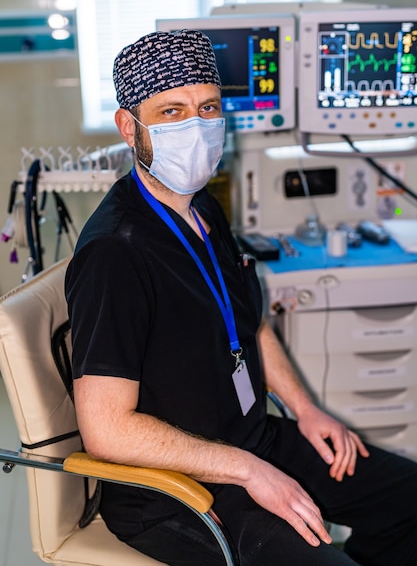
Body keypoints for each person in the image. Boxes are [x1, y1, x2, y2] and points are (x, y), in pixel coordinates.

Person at [65, 29, 417, 566]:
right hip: (177, 490)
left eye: (207, 107)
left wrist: (306, 411)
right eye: (171, 111)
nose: (196, 127)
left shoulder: (200, 206)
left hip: (254, 441)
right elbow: (107, 429)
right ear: (128, 126)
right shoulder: (116, 253)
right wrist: (249, 471)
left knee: (409, 500)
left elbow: (247, 323)